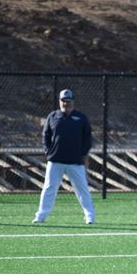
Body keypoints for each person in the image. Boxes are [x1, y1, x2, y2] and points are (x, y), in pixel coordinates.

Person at [33, 89, 96, 224]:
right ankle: (41, 216)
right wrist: (48, 152)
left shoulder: (81, 118)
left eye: (68, 101)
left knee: (82, 188)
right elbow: (46, 136)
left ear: (73, 101)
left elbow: (87, 138)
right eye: (63, 101)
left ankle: (90, 216)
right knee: (49, 188)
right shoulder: (53, 116)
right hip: (55, 160)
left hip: (75, 161)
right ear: (59, 101)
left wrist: (82, 153)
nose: (66, 104)